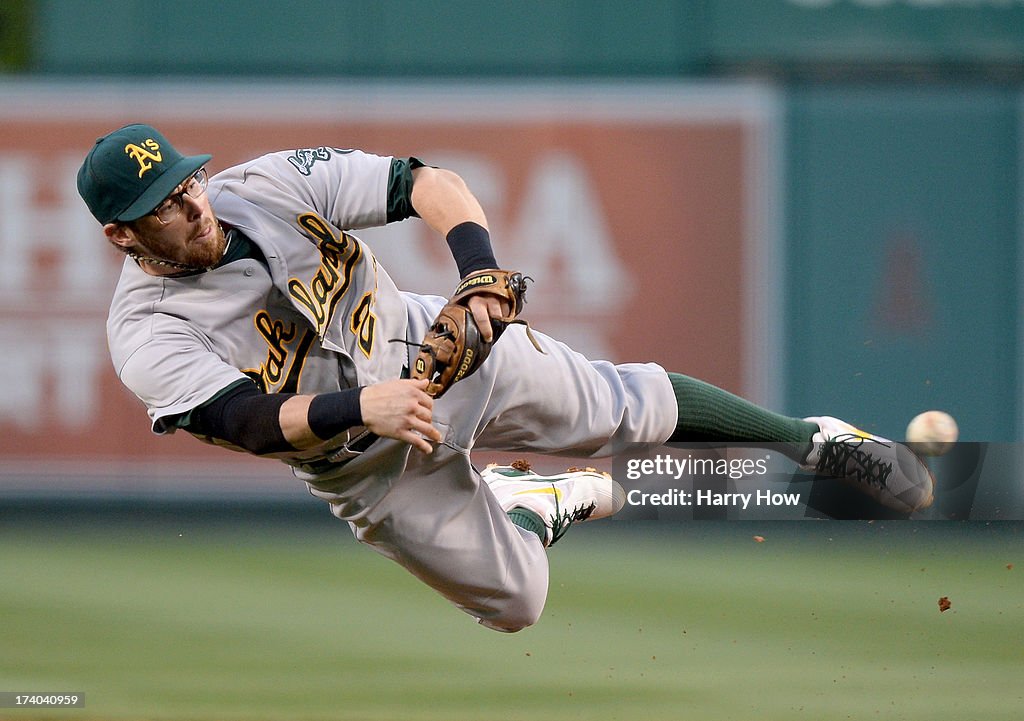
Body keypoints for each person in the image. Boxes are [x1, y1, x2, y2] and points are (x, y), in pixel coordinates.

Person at [78, 124, 933, 632]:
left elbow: (427, 184)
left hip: (432, 345)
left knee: (618, 404)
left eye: (188, 182)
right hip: (367, 464)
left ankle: (816, 440)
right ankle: (536, 504)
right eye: (165, 203)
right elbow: (247, 422)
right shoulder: (145, 331)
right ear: (122, 235)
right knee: (520, 602)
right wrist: (363, 404)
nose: (195, 205)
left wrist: (478, 272)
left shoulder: (262, 184)